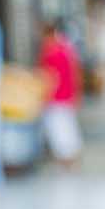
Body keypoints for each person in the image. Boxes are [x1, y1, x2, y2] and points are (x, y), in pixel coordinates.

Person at [37, 21, 83, 167]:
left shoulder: (50, 52)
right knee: (67, 125)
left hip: (56, 97)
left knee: (59, 128)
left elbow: (49, 77)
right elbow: (75, 72)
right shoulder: (66, 47)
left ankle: (66, 158)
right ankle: (71, 156)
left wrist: (44, 96)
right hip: (67, 94)